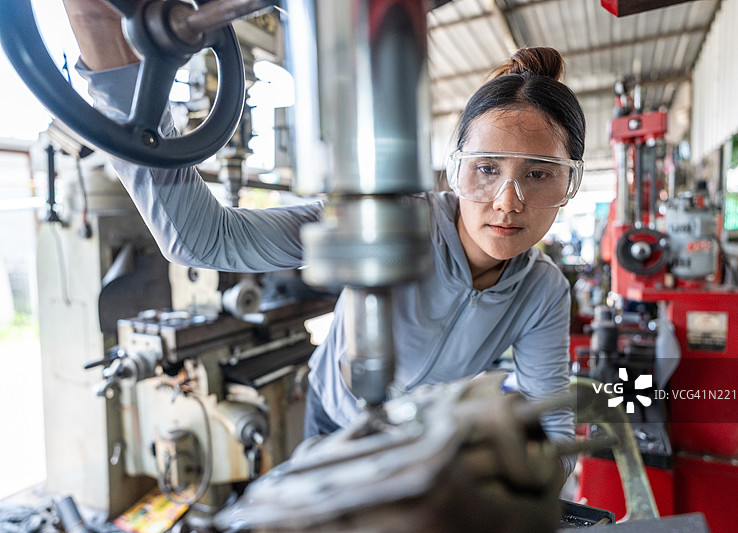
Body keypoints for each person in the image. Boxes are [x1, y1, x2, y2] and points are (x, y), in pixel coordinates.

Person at [62, 0, 586, 477]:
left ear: (569, 185)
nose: (508, 202)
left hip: (420, 446)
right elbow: (203, 239)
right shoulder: (386, 218)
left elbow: (553, 421)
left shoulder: (542, 291)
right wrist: (104, 44)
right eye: (487, 169)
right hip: (333, 423)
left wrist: (538, 494)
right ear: (455, 170)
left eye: (539, 173)